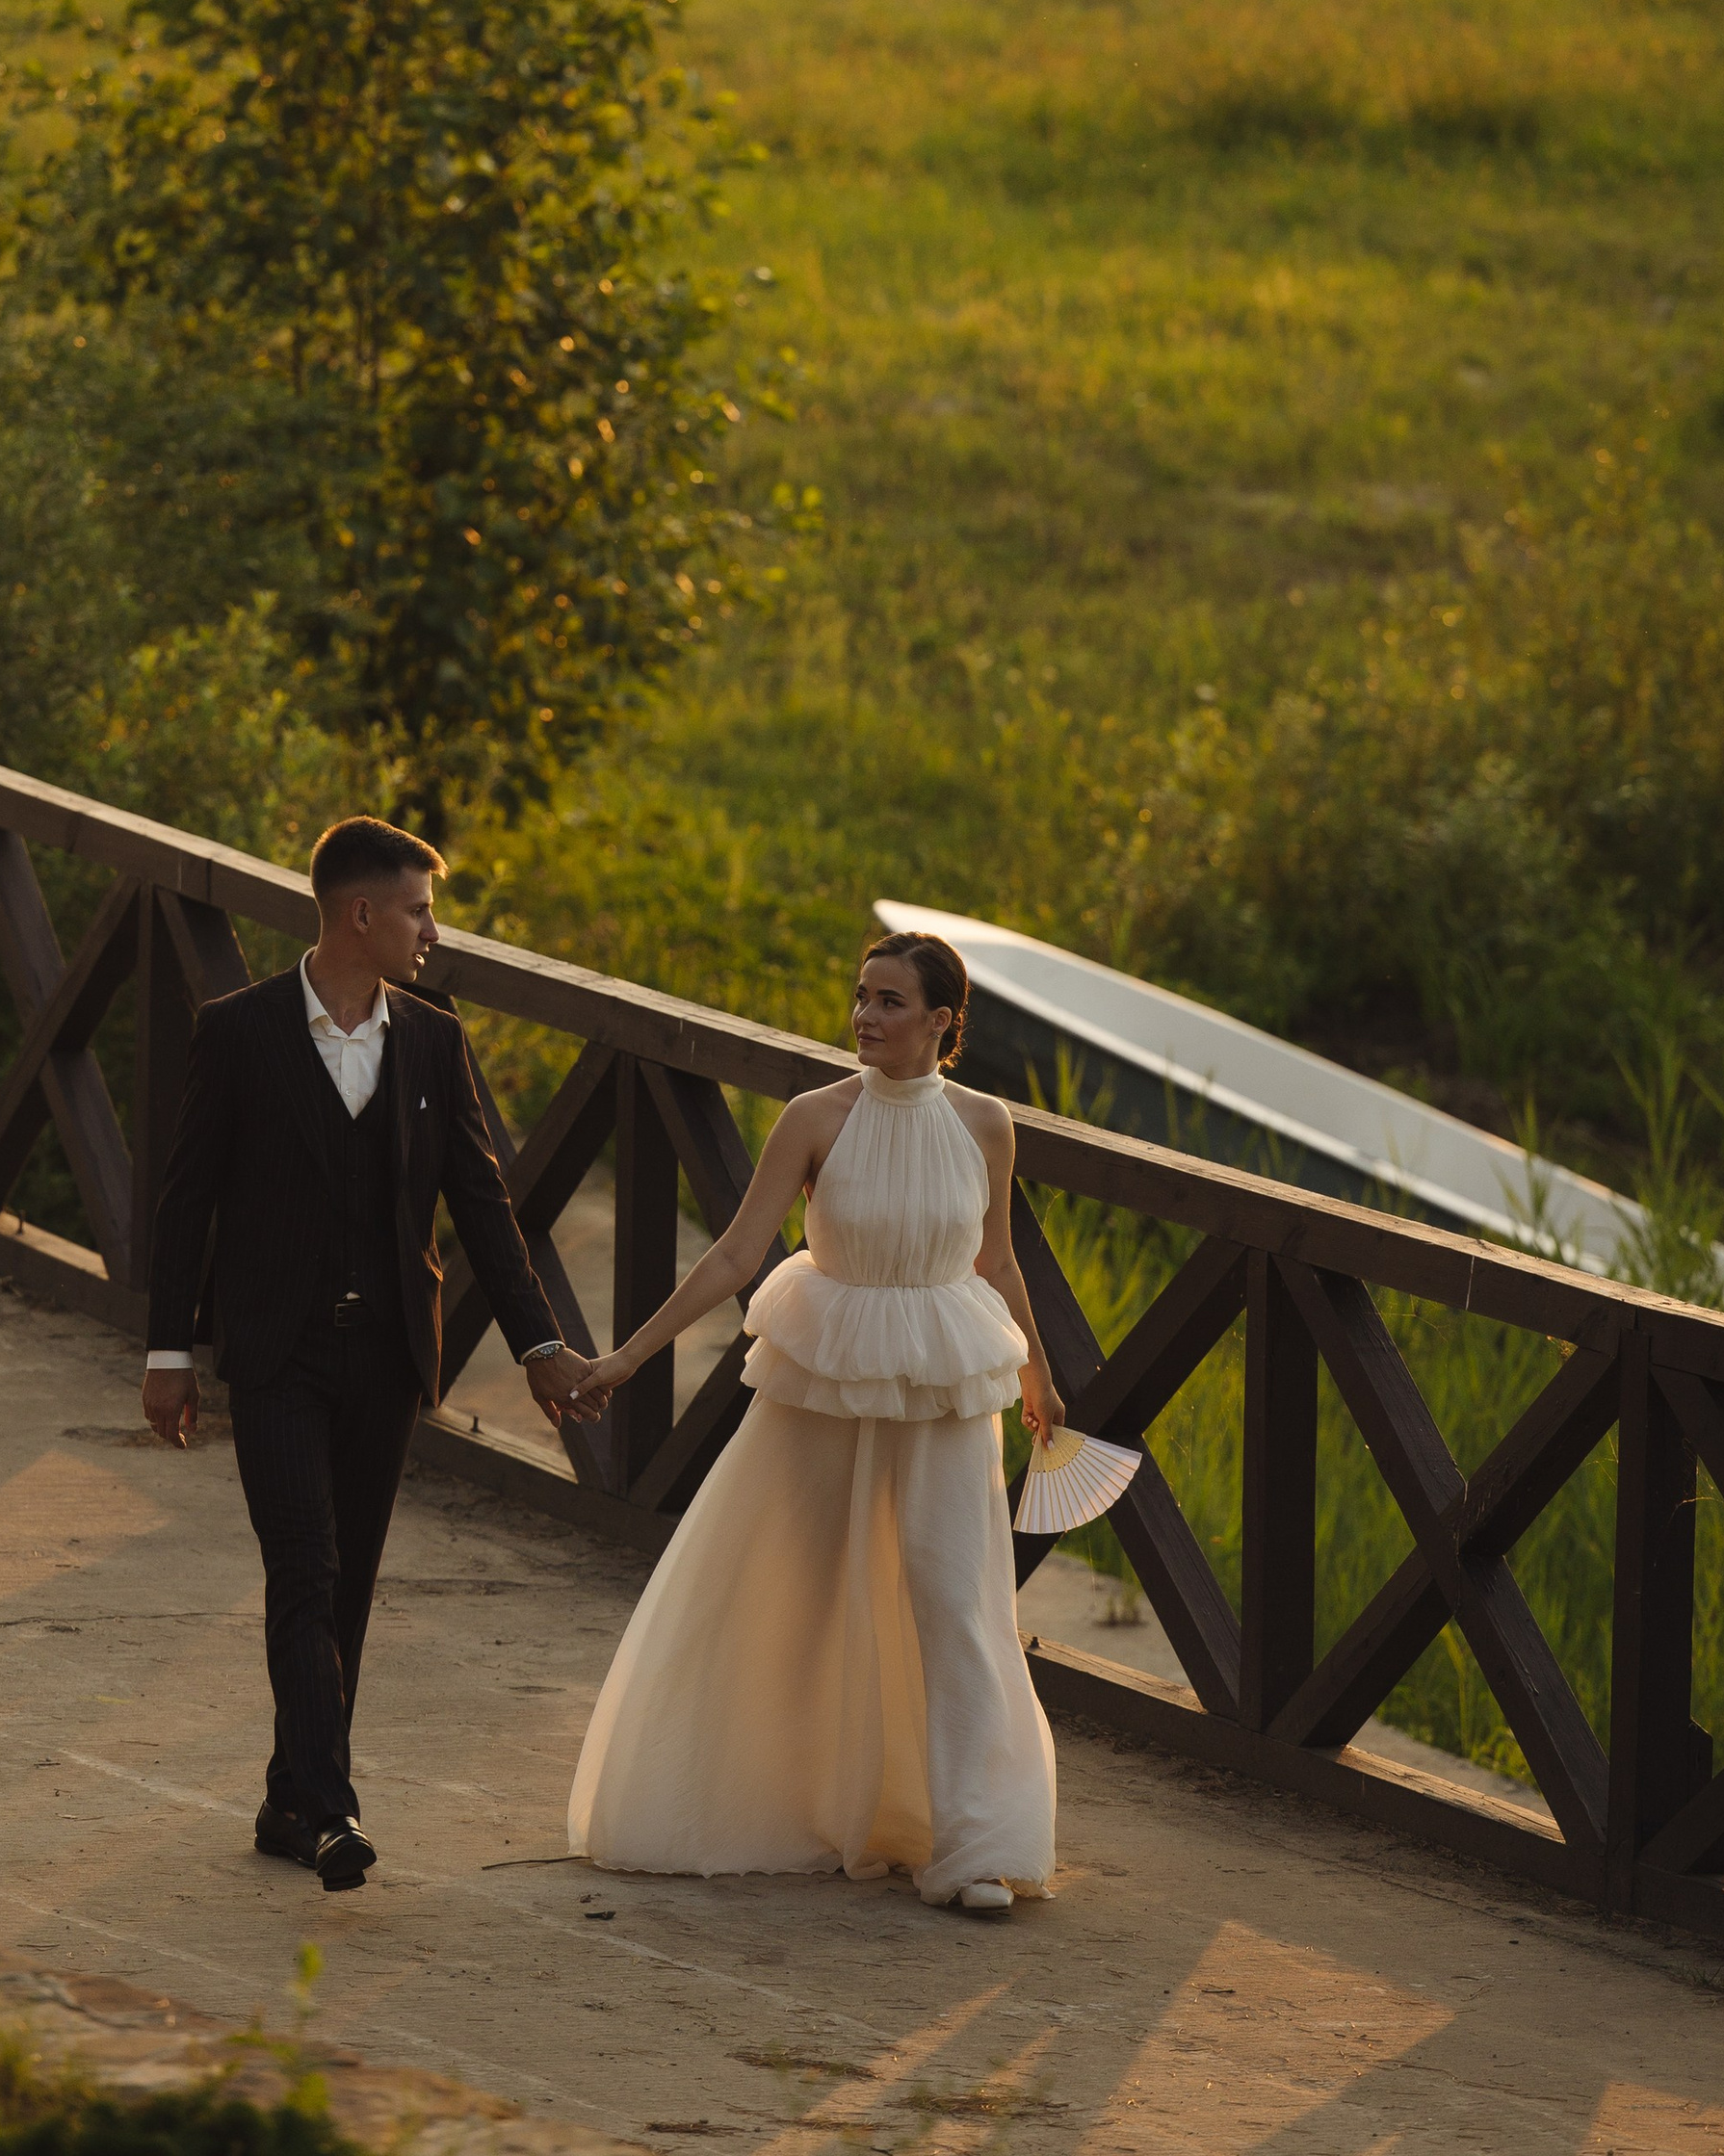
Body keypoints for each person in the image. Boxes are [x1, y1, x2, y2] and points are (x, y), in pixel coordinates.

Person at [143, 816, 600, 1892]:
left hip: (387, 1353)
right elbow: (185, 1200)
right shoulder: (241, 1030)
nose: (432, 931)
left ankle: (287, 1796)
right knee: (303, 1563)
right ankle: (334, 1809)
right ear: (360, 913)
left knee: (345, 1584)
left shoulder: (435, 1040)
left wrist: (539, 1340)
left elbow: (482, 1204)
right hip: (275, 1351)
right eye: (417, 909)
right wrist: (167, 1349)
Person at [566, 931, 1061, 1913]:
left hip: (947, 1378)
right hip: (823, 1372)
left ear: (940, 1021)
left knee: (957, 1603)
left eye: (888, 1001)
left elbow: (997, 1260)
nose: (865, 1016)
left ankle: (966, 1847)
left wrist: (1040, 1371)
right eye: (861, 995)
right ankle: (787, 1803)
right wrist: (627, 1354)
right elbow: (735, 1255)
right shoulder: (814, 1116)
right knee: (791, 1586)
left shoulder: (985, 1122)